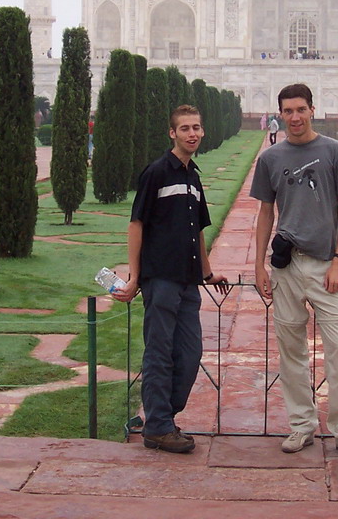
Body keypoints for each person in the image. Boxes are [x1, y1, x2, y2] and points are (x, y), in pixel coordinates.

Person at [250, 83, 338, 460]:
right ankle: (301, 425)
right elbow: (266, 213)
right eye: (288, 111)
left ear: (312, 110)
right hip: (286, 267)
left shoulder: (335, 152)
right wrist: (258, 266)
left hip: (324, 267)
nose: (295, 117)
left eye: (301, 109)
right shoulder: (272, 157)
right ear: (280, 114)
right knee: (291, 352)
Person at [113, 104, 229, 453]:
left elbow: (198, 231)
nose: (192, 133)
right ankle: (159, 426)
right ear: (172, 133)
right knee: (160, 353)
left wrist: (207, 272)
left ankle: (162, 417)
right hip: (160, 278)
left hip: (188, 281)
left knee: (190, 353)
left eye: (197, 127)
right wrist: (135, 278)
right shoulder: (157, 173)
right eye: (185, 128)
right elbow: (137, 225)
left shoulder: (193, 176)